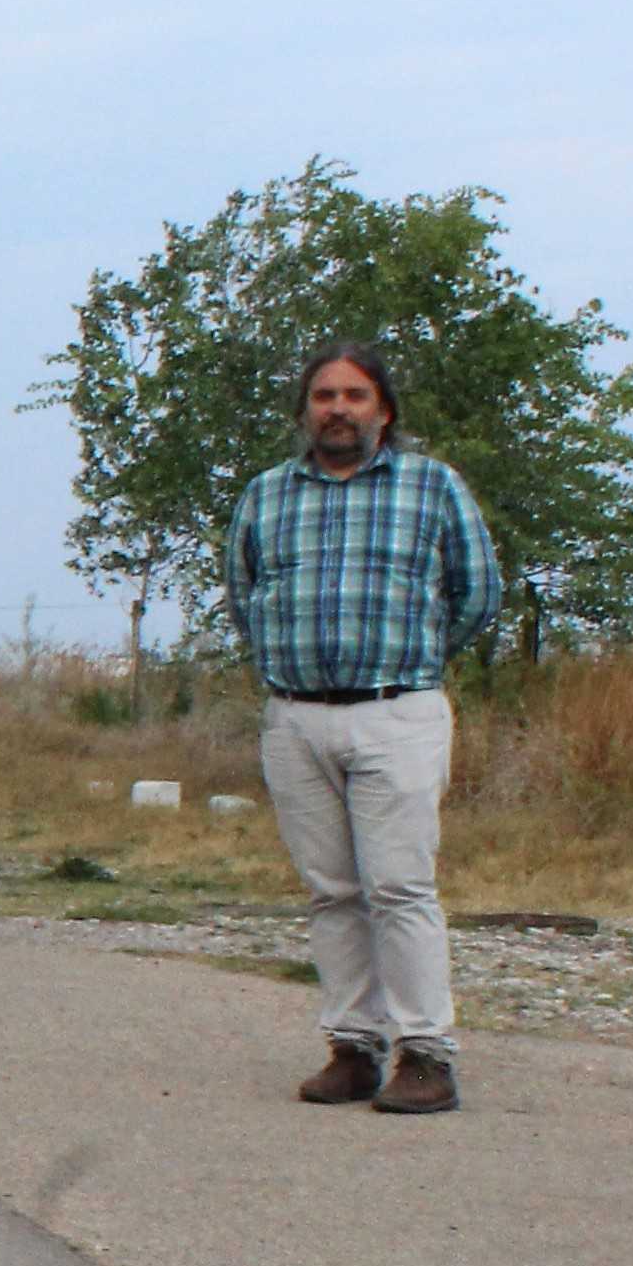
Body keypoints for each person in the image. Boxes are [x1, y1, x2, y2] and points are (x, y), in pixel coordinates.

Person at [229, 344, 501, 1116]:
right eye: (323, 395)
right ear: (304, 409)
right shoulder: (267, 495)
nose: (338, 408)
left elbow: (476, 595)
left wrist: (408, 661)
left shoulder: (433, 487)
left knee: (400, 887)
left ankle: (426, 1054)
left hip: (397, 712)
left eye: (355, 394)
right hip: (297, 717)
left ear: (383, 409)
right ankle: (351, 1047)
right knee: (331, 892)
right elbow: (244, 594)